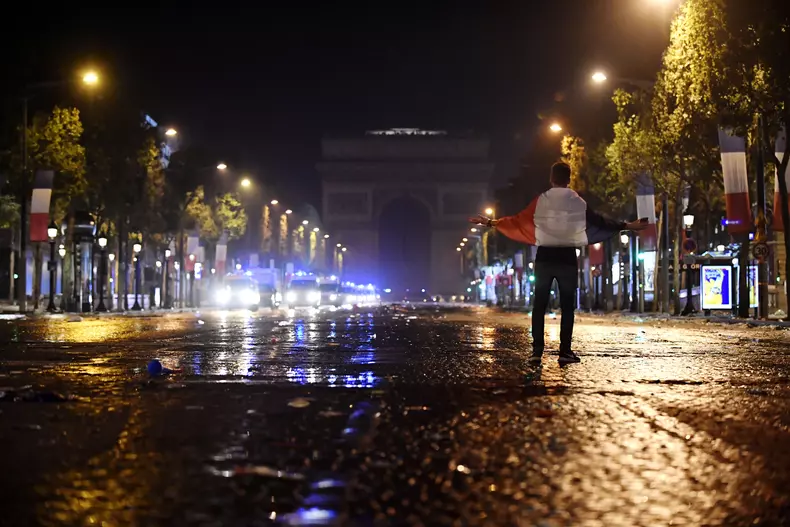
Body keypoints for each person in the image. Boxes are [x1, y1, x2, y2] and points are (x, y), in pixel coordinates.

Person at [470, 162, 647, 364]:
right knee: (567, 306)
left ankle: (536, 352)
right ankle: (565, 351)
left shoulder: (541, 200)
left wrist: (490, 222)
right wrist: (627, 225)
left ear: (551, 179)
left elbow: (518, 220)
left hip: (544, 257)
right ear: (569, 179)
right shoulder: (576, 200)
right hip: (567, 258)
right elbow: (599, 221)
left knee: (539, 305)